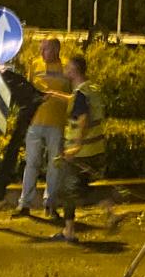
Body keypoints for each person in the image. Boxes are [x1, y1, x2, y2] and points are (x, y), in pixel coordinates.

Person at [54, 54, 114, 242]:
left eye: (67, 67)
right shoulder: (91, 89)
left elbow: (83, 118)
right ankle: (106, 209)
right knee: (77, 189)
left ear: (74, 71)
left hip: (81, 152)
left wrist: (75, 147)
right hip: (96, 150)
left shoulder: (81, 93)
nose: (65, 69)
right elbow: (82, 105)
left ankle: (70, 230)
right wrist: (54, 96)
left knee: (68, 190)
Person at [14, 38, 71, 219]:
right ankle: (25, 204)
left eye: (46, 49)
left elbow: (73, 95)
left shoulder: (66, 67)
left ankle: (50, 204)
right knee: (32, 163)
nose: (42, 52)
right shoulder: (35, 65)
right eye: (41, 48)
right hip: (35, 122)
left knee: (54, 165)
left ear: (56, 50)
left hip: (56, 123)